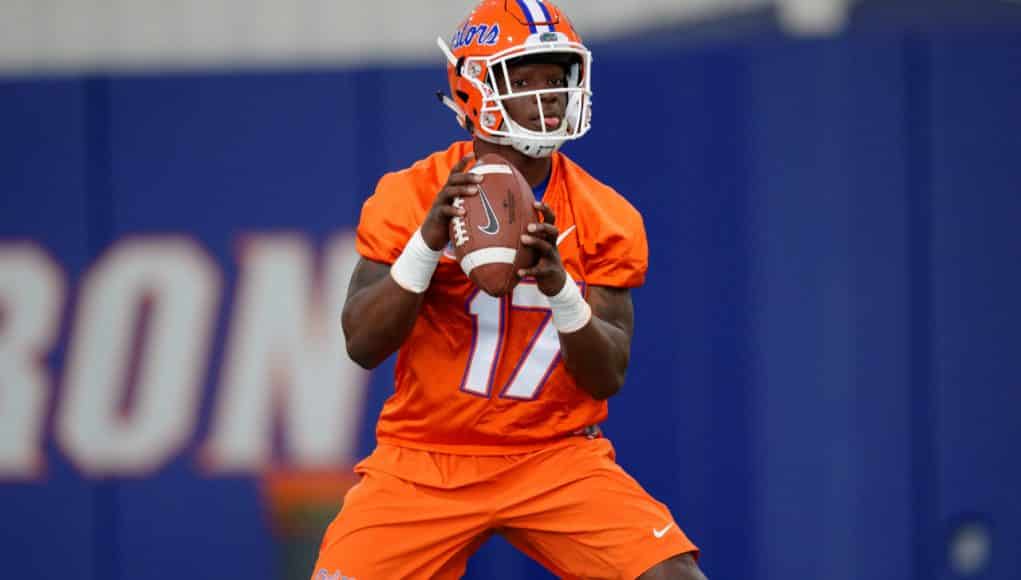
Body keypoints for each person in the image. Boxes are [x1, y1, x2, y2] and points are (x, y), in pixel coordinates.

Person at [312, 1, 707, 578]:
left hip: (555, 453)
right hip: (426, 458)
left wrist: (558, 286)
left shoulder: (605, 216)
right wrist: (427, 245)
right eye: (522, 79)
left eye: (555, 78)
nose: (546, 96)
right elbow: (362, 344)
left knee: (673, 577)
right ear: (473, 91)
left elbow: (606, 376)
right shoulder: (410, 194)